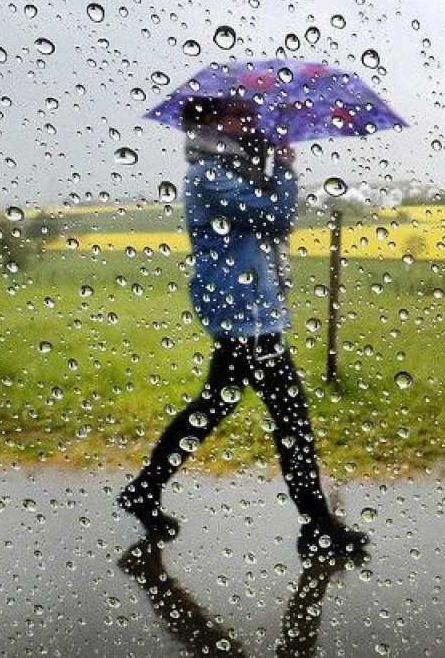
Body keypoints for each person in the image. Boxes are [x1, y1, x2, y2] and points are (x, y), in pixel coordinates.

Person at [118, 96, 368, 560]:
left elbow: (265, 222)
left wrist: (270, 162)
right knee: (290, 418)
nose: (254, 122)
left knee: (213, 406)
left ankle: (144, 490)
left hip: (248, 306)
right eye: (242, 115)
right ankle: (317, 525)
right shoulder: (209, 175)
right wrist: (287, 168)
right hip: (242, 311)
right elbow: (276, 217)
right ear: (213, 122)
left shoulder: (229, 168)